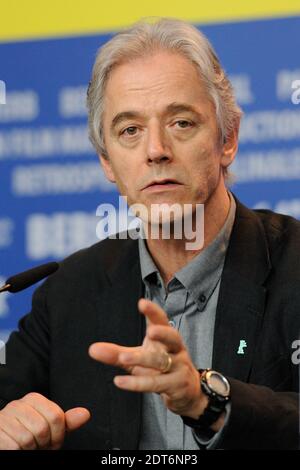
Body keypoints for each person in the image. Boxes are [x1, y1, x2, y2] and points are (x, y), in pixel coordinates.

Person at [0, 18, 299, 451]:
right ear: (107, 162)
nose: (156, 149)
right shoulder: (69, 291)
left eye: (181, 123)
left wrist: (207, 401)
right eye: (130, 131)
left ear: (228, 138)